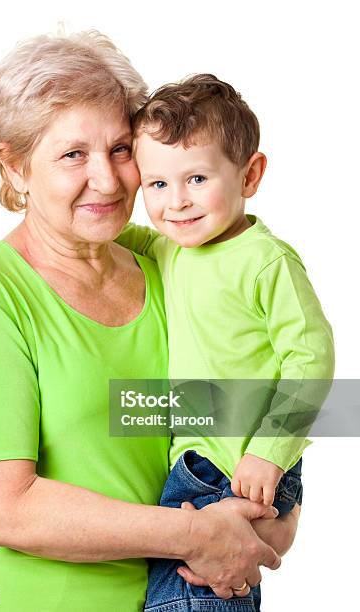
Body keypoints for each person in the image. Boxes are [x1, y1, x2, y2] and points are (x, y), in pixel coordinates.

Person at [0, 34, 298, 612]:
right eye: (72, 154)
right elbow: (7, 508)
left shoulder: (170, 263)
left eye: (122, 148)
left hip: (174, 596)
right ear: (15, 164)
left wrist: (275, 513)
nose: (106, 180)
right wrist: (198, 534)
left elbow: (242, 402)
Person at [116, 74, 335, 611]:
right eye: (157, 185)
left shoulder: (266, 261)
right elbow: (101, 230)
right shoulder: (170, 248)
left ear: (250, 174)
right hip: (193, 465)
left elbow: (311, 357)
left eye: (196, 178)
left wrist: (270, 452)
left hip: (242, 470)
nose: (177, 203)